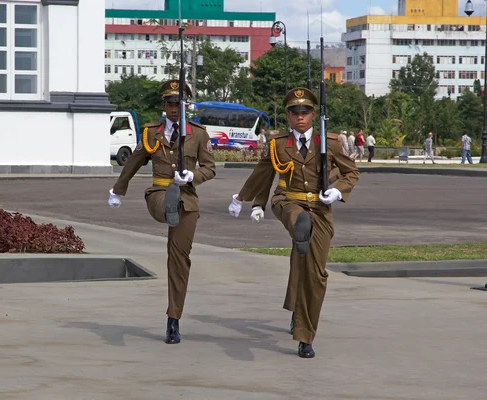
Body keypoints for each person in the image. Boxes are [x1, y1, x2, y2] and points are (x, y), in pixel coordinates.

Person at [227, 87, 359, 358]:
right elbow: (262, 175)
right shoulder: (277, 144)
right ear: (287, 116)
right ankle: (304, 335)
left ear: (313, 115)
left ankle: (302, 321)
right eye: (294, 112)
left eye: (306, 112)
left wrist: (338, 191)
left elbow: (351, 171)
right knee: (299, 222)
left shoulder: (330, 143)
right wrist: (246, 200)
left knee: (315, 272)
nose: (300, 117)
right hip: (288, 201)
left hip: (320, 208)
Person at [108, 79, 216, 344]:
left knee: (179, 259)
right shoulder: (150, 133)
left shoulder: (198, 134)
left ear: (185, 106)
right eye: (169, 103)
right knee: (165, 204)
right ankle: (170, 207)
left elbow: (210, 168)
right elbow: (133, 163)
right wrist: (118, 190)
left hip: (187, 197)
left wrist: (192, 176)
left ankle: (173, 318)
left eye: (178, 103)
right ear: (163, 106)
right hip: (159, 191)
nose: (173, 108)